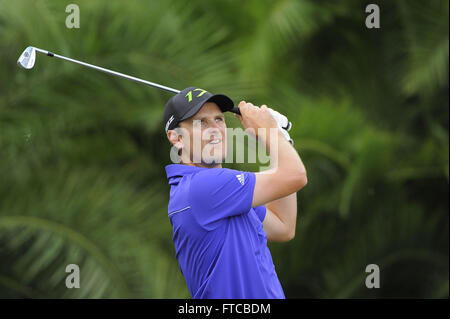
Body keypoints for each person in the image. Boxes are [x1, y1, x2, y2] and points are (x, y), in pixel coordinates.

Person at [163, 87, 307, 299]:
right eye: (201, 122)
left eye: (219, 119)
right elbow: (295, 176)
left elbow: (283, 226)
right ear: (176, 138)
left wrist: (281, 138)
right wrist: (271, 132)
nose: (215, 129)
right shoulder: (202, 187)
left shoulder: (224, 195)